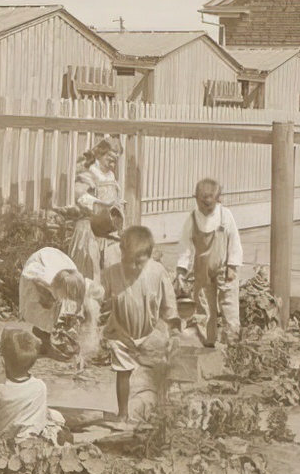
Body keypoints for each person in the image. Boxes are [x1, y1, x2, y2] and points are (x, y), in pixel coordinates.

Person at [101, 225, 181, 421]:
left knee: (158, 371)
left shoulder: (157, 272)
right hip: (121, 331)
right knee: (123, 372)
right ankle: (123, 413)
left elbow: (168, 303)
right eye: (129, 262)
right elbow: (98, 295)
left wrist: (172, 326)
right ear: (122, 254)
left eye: (139, 262)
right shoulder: (112, 273)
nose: (134, 267)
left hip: (150, 332)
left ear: (149, 256)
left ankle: (161, 408)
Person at [175, 179, 244, 348]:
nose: (205, 210)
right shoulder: (192, 218)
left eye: (209, 206)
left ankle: (233, 342)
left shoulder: (224, 215)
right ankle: (208, 341)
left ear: (218, 200)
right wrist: (181, 270)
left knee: (229, 304)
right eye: (202, 205)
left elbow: (234, 240)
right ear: (196, 199)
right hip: (202, 270)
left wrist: (233, 265)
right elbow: (185, 245)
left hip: (223, 267)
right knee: (204, 305)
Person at [0, 327, 69, 444]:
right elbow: (39, 420)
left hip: (5, 436)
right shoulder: (39, 387)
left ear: (3, 361)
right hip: (30, 439)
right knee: (57, 418)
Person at [18, 246, 93, 360]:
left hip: (57, 262)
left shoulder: (76, 280)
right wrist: (44, 296)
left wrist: (81, 317)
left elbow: (80, 299)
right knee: (47, 306)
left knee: (58, 306)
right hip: (40, 264)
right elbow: (29, 275)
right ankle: (45, 337)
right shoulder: (45, 279)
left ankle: (48, 335)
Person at [68, 137, 125, 281]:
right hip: (90, 231)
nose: (113, 164)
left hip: (108, 231)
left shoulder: (111, 177)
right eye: (110, 159)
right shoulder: (88, 175)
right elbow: (81, 197)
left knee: (111, 270)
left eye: (115, 161)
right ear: (100, 155)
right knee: (90, 272)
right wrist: (102, 206)